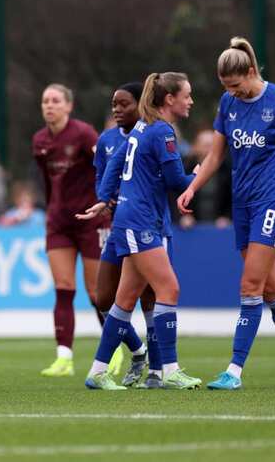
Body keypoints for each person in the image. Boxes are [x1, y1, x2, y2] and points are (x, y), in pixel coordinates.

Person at [178, 37, 275, 390]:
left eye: (235, 85)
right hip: (243, 203)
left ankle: (233, 372)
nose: (231, 92)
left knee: (250, 284)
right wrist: (191, 186)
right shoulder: (227, 103)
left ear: (251, 72)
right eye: (225, 87)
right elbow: (216, 156)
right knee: (269, 290)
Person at [79, 71, 202, 390]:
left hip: (130, 218)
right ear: (169, 99)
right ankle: (170, 370)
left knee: (124, 300)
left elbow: (116, 165)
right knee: (168, 289)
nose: (190, 101)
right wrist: (199, 175)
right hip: (141, 221)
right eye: (186, 95)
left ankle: (97, 371)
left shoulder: (142, 129)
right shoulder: (161, 131)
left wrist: (105, 199)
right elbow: (177, 182)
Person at [32, 83, 110, 377]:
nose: (49, 105)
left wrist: (106, 201)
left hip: (91, 220)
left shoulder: (84, 133)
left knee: (97, 292)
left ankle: (111, 350)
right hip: (59, 223)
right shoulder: (39, 139)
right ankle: (63, 357)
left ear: (68, 106)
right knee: (63, 288)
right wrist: (53, 208)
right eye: (45, 101)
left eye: (54, 101)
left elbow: (105, 163)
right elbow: (48, 180)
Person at [91, 82, 162, 388]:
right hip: (115, 225)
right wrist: (104, 200)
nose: (117, 110)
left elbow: (162, 179)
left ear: (140, 105)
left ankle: (158, 370)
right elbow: (100, 178)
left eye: (124, 104)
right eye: (114, 105)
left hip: (146, 223)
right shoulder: (106, 140)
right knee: (103, 298)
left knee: (149, 296)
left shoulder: (151, 135)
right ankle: (138, 350)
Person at [179, 129, 232, 228]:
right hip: (192, 228)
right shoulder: (185, 169)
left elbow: (233, 197)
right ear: (195, 147)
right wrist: (184, 216)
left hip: (220, 227)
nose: (210, 150)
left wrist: (227, 217)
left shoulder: (227, 170)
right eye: (206, 145)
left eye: (213, 145)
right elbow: (176, 195)